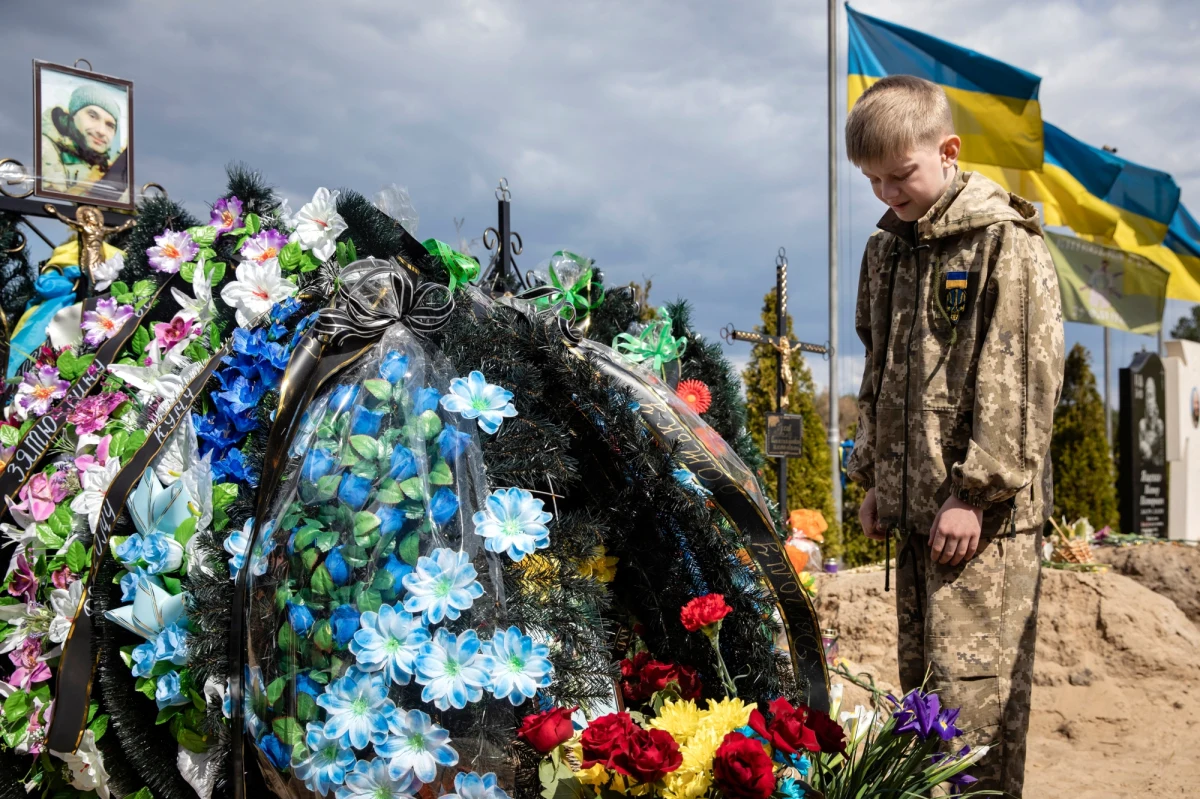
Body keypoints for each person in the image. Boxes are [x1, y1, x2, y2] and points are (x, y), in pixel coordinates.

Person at [844, 75, 1064, 797]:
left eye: (900, 173)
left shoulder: (1004, 242)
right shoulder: (888, 252)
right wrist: (875, 474)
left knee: (974, 714)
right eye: (872, 180)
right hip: (915, 521)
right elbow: (877, 370)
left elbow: (1022, 381)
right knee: (925, 711)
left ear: (948, 150)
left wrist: (976, 491)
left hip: (983, 528)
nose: (887, 193)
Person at [40, 83, 129, 204]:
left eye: (110, 125)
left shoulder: (103, 162)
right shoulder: (45, 146)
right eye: (92, 116)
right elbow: (62, 206)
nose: (101, 131)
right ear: (72, 115)